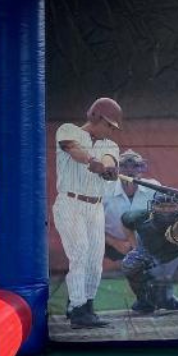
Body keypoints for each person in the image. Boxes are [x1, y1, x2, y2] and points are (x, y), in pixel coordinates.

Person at [53, 97, 122, 329]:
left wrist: (108, 169)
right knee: (80, 251)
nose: (111, 130)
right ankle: (77, 308)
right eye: (109, 125)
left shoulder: (110, 145)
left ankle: (85, 306)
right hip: (70, 202)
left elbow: (108, 158)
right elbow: (74, 149)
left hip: (95, 207)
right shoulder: (68, 129)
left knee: (94, 260)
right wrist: (92, 161)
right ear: (96, 116)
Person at [120, 193, 178, 314]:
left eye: (171, 206)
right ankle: (145, 300)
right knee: (130, 262)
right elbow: (124, 221)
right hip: (151, 262)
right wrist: (134, 246)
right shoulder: (141, 217)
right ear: (153, 207)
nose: (166, 210)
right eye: (162, 207)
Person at [103, 149, 158, 263]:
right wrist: (115, 243)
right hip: (111, 248)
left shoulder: (153, 187)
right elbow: (91, 225)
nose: (130, 171)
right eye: (124, 167)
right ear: (117, 169)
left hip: (146, 247)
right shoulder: (105, 189)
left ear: (142, 169)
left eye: (135, 167)